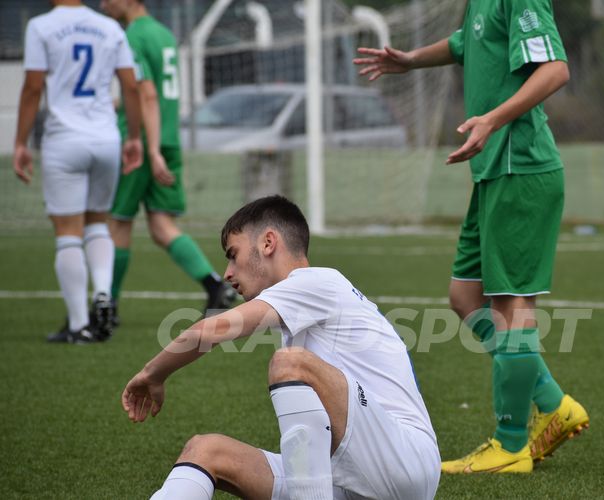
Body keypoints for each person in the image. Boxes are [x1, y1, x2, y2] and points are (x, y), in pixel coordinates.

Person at [354, 0, 588, 473]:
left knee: (511, 306)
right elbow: (467, 42)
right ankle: (552, 403)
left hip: (520, 168)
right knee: (465, 296)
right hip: (492, 174)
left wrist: (492, 118)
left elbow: (555, 70)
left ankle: (510, 445)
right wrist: (411, 60)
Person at [121, 195, 440, 499]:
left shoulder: (318, 281)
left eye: (233, 254)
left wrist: (152, 375)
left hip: (404, 463)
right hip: (351, 479)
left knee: (290, 363)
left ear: (268, 243)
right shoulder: (304, 302)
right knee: (205, 450)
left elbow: (212, 330)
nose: (227, 272)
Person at [14, 0, 143, 343]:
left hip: (64, 140)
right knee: (97, 222)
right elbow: (131, 86)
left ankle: (78, 324)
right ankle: (102, 294)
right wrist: (134, 137)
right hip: (106, 139)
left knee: (67, 231)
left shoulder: (40, 26)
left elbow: (32, 87)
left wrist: (21, 142)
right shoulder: (109, 27)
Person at [100, 0, 235, 323]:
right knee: (162, 227)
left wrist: (150, 148)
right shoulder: (164, 34)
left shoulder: (132, 36)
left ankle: (108, 307)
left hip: (141, 142)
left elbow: (146, 94)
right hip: (169, 136)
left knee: (118, 223)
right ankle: (214, 285)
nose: (103, 3)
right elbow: (156, 91)